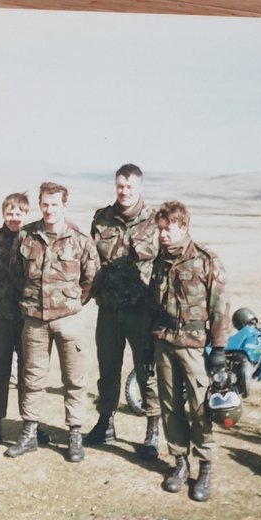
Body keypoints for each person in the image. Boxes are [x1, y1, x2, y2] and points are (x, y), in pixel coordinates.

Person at [6, 182, 100, 462]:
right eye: (45, 204)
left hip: (68, 320)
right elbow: (16, 273)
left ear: (65, 206)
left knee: (74, 379)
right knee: (32, 378)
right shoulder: (26, 236)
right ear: (40, 204)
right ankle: (29, 432)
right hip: (34, 320)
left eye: (55, 204)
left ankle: (74, 434)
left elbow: (91, 278)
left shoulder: (80, 240)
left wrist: (72, 302)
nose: (49, 210)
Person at [147, 200, 230, 502]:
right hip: (164, 342)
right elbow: (153, 306)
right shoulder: (159, 262)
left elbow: (220, 307)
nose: (163, 235)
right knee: (169, 404)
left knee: (199, 408)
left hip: (194, 346)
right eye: (160, 229)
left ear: (183, 227)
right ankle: (179, 463)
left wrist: (218, 350)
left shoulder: (206, 260)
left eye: (168, 229)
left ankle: (205, 468)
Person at [85, 164, 161, 457]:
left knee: (147, 372)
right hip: (109, 309)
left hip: (142, 312)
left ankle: (152, 431)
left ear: (140, 188)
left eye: (129, 187)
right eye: (120, 186)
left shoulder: (155, 222)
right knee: (107, 369)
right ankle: (105, 423)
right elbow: (92, 262)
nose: (124, 191)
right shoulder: (102, 219)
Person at [0, 192, 48, 447]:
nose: (15, 217)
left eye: (19, 213)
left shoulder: (35, 241)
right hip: (0, 318)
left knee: (30, 372)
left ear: (27, 213)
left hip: (29, 318)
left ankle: (31, 426)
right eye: (10, 213)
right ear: (3, 213)